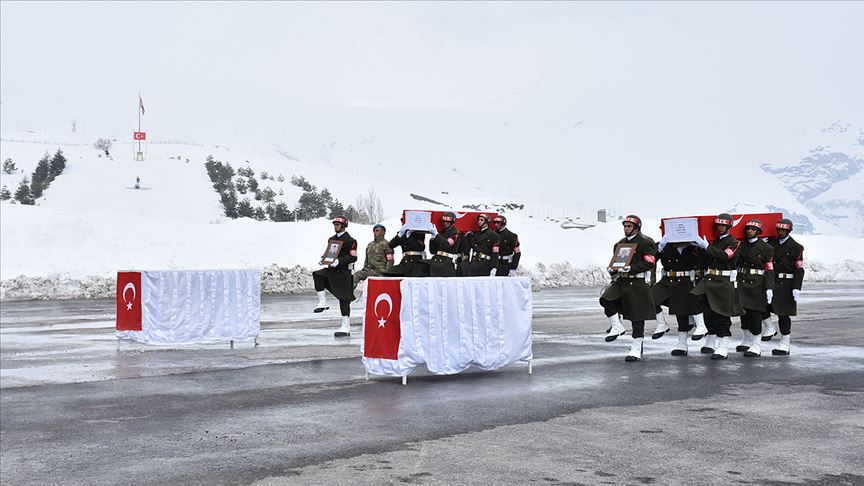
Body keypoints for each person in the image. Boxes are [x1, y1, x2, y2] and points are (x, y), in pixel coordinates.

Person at [599, 215, 658, 362]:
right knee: (606, 299)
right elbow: (616, 262)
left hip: (637, 282)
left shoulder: (646, 242)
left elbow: (650, 263)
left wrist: (631, 268)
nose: (626, 229)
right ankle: (617, 327)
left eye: (629, 226)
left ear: (637, 228)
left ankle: (637, 346)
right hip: (621, 281)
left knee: (637, 317)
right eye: (625, 226)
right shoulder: (620, 244)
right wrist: (612, 269)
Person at [690, 213, 742, 360]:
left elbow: (725, 256)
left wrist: (706, 246)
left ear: (729, 226)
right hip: (710, 279)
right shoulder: (715, 242)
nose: (720, 228)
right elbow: (705, 260)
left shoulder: (735, 243)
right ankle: (702, 327)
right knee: (696, 299)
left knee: (722, 314)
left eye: (723, 225)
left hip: (724, 282)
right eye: (718, 225)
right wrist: (700, 248)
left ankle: (723, 346)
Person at [652, 234, 708, 356]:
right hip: (667, 281)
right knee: (650, 298)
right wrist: (660, 247)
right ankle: (662, 325)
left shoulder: (694, 247)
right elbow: (651, 259)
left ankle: (682, 344)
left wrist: (703, 246)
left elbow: (705, 262)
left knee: (681, 313)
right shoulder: (665, 245)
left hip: (686, 281)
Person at [762, 218, 804, 355]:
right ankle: (770, 328)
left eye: (783, 230)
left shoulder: (796, 247)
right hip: (771, 281)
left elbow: (799, 269)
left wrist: (796, 287)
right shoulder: (771, 244)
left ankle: (785, 343)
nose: (780, 232)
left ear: (789, 231)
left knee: (783, 315)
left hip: (786, 284)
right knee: (760, 307)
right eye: (779, 229)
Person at [734, 218, 775, 357]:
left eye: (753, 229)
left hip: (757, 283)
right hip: (742, 281)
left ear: (758, 231)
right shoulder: (740, 245)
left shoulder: (767, 249)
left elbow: (769, 269)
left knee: (755, 314)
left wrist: (769, 288)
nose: (749, 231)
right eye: (748, 229)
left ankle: (756, 345)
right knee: (743, 313)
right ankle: (746, 340)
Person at [312, 216, 358, 337]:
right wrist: (324, 259)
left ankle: (346, 326)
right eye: (335, 224)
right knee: (317, 275)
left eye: (338, 225)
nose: (335, 227)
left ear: (343, 226)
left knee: (344, 299)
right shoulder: (331, 239)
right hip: (332, 270)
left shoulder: (350, 240)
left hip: (343, 273)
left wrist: (340, 261)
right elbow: (329, 253)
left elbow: (353, 257)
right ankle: (323, 303)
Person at [352, 224, 394, 291]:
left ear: (383, 232)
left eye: (377, 230)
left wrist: (386, 273)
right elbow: (366, 259)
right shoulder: (370, 245)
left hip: (380, 272)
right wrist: (364, 268)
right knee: (356, 275)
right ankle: (348, 294)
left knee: (378, 289)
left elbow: (390, 260)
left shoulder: (387, 245)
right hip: (369, 270)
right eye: (374, 231)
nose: (375, 232)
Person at [428, 212, 462, 277]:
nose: (445, 223)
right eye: (444, 221)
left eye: (447, 222)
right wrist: (432, 239)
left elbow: (446, 245)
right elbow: (432, 251)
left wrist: (436, 235)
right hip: (437, 260)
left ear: (452, 222)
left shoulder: (456, 234)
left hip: (447, 262)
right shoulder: (442, 233)